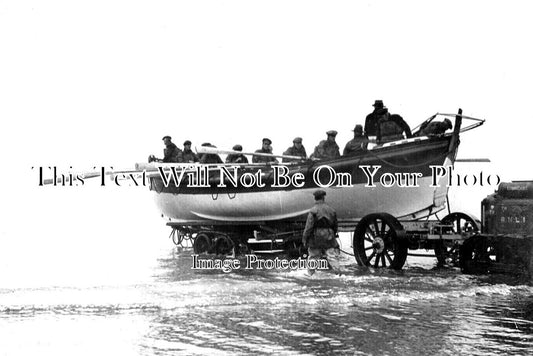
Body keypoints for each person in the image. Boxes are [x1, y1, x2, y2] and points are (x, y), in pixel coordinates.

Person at [302, 189, 341, 275]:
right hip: (329, 235)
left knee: (313, 257)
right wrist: (332, 234)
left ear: (315, 199)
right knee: (332, 256)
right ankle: (338, 274)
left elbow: (309, 227)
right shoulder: (331, 210)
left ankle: (310, 275)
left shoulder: (313, 210)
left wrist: (305, 238)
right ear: (323, 198)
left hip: (316, 236)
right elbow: (335, 225)